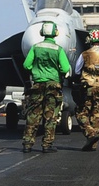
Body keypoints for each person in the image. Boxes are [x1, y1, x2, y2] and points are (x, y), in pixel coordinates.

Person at [21, 21, 71, 153]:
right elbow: (65, 68)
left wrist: (35, 71)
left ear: (42, 33)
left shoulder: (35, 47)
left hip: (37, 85)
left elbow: (26, 65)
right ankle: (47, 145)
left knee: (33, 115)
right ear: (56, 33)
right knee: (50, 116)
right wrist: (56, 72)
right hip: (53, 86)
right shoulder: (58, 49)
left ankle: (27, 144)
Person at [75, 30, 99, 151]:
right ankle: (93, 145)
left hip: (87, 88)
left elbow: (77, 70)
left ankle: (90, 134)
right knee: (97, 114)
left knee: (80, 113)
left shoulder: (85, 54)